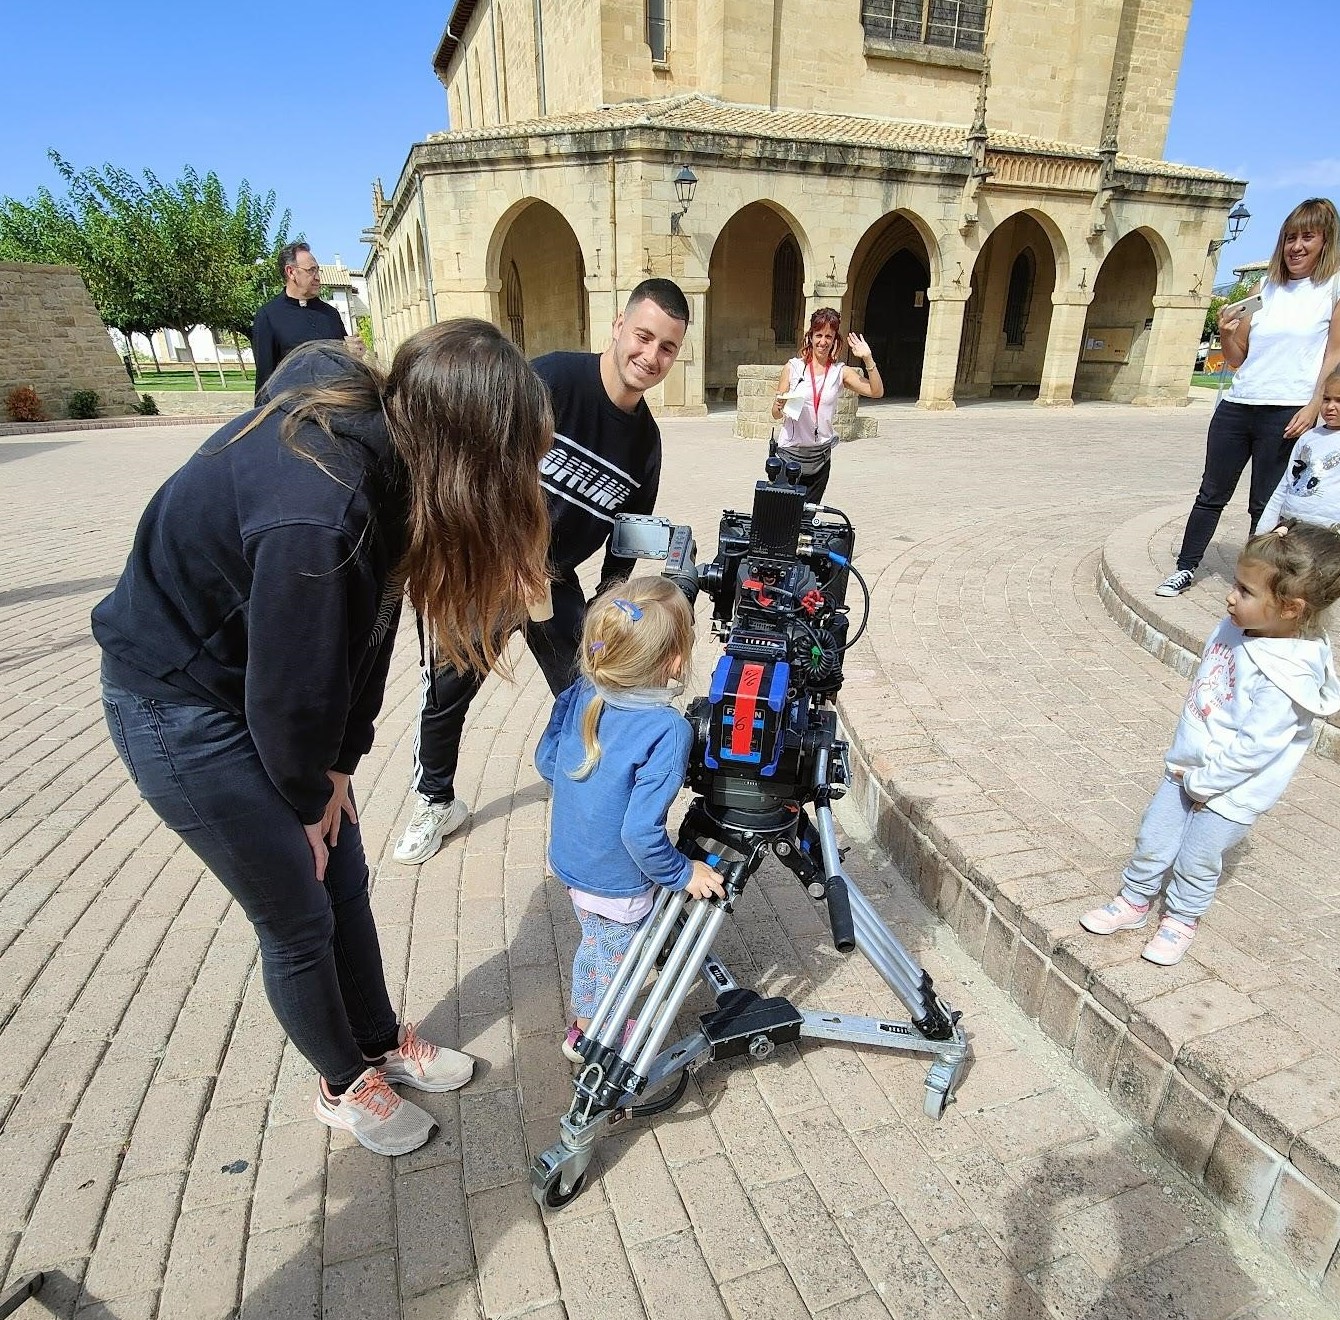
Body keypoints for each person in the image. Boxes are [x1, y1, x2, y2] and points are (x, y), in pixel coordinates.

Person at [92, 322, 554, 1156]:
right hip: (176, 702)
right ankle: (343, 1085)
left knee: (344, 870)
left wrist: (338, 767)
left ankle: (377, 1038)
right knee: (297, 912)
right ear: (466, 451)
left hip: (257, 686)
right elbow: (290, 694)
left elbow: (369, 635)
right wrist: (305, 794)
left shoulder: (388, 465)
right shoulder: (323, 507)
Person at [392, 278, 692, 865]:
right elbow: (478, 464)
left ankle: (598, 803)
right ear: (618, 326)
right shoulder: (549, 380)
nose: (651, 357)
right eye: (643, 336)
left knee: (595, 690)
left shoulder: (646, 442)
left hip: (554, 584)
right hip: (491, 570)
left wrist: (612, 611)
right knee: (448, 692)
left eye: (667, 348)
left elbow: (625, 538)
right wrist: (500, 553)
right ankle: (435, 799)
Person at [1084, 521, 1340, 965]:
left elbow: (1257, 748)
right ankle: (1135, 900)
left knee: (1199, 857)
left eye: (1244, 590)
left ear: (1291, 608)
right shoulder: (1238, 626)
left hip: (1233, 787)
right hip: (1188, 767)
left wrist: (1205, 784)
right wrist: (1191, 768)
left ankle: (1182, 918)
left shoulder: (1287, 677)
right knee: (1154, 836)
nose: (1229, 596)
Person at [533, 577, 726, 1058]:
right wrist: (683, 873)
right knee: (617, 961)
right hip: (616, 876)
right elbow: (639, 832)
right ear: (675, 661)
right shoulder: (666, 729)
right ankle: (596, 1033)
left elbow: (546, 760)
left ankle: (589, 1018)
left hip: (573, 857)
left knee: (596, 942)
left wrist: (592, 797)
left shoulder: (582, 690)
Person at [1157, 198, 1340, 597]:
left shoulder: (1332, 289)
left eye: (1307, 237)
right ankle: (1185, 568)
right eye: (1290, 237)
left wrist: (1313, 405)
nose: (1296, 246)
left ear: (1326, 241)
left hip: (1287, 410)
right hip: (1239, 406)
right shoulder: (1265, 287)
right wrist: (1225, 331)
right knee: (1211, 493)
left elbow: (1334, 354)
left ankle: (1259, 584)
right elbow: (1237, 357)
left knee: (1266, 504)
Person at [769, 307, 883, 503]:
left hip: (819, 458)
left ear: (834, 339)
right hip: (789, 454)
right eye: (818, 335)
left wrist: (867, 358)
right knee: (784, 517)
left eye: (828, 336)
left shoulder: (840, 372)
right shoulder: (793, 368)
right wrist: (778, 405)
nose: (823, 342)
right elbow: (776, 415)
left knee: (809, 520)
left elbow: (876, 391)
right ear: (810, 337)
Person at [251, 242, 350, 400]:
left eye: (317, 270)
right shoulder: (268, 316)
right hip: (295, 412)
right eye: (311, 270)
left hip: (336, 408)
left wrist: (354, 355)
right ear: (291, 272)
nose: (317, 277)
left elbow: (344, 362)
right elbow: (265, 379)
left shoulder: (330, 314)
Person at [1256, 366, 1340, 534]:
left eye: (1339, 400)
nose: (1330, 406)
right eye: (1326, 399)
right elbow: (1286, 484)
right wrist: (1262, 531)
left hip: (1330, 532)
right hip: (1291, 525)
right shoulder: (1309, 437)